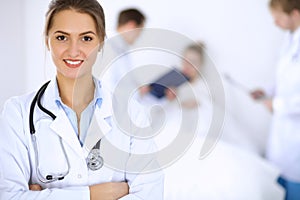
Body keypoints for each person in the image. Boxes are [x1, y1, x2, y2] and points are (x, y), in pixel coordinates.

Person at [0, 0, 164, 199]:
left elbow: (149, 194)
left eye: (86, 38)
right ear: (47, 40)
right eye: (62, 37)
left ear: (101, 42)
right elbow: (9, 196)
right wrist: (95, 194)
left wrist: (47, 195)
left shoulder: (132, 113)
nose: (73, 50)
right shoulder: (17, 113)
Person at [251, 0, 300, 199]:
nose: (275, 23)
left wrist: (277, 105)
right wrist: (268, 92)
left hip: (295, 130)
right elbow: (286, 79)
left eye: (279, 18)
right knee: (279, 182)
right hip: (284, 130)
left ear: (295, 15)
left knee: (294, 183)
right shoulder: (290, 40)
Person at [101, 8, 146, 97]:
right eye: (140, 31)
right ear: (131, 26)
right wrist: (136, 91)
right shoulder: (107, 47)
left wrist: (138, 88)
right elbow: (107, 87)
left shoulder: (122, 49)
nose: (138, 36)